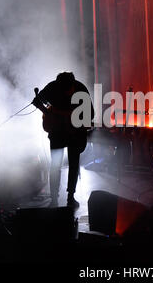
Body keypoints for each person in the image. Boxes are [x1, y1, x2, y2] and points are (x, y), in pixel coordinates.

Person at [33, 72, 94, 208]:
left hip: (75, 133)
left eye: (68, 90)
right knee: (55, 165)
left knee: (73, 164)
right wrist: (48, 113)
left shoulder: (81, 89)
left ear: (73, 86)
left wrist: (74, 120)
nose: (65, 93)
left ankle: (70, 197)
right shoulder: (52, 87)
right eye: (63, 90)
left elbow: (90, 114)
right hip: (57, 132)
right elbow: (37, 101)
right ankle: (54, 199)